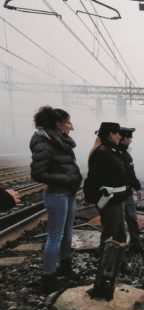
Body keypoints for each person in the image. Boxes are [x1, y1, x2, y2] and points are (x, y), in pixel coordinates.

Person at [29, 106, 82, 293]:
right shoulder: (44, 143)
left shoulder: (60, 140)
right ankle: (48, 277)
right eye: (68, 122)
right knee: (55, 237)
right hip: (57, 194)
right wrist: (67, 180)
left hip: (68, 194)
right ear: (58, 124)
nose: (70, 126)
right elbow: (38, 173)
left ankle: (65, 267)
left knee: (67, 235)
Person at [84, 122, 129, 256]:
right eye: (118, 134)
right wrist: (93, 198)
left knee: (120, 232)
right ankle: (105, 264)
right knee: (110, 233)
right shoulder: (102, 153)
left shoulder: (111, 151)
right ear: (111, 134)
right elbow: (94, 178)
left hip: (117, 200)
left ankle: (119, 262)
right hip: (110, 200)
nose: (120, 137)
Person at [119, 127, 144, 255]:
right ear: (124, 138)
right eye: (130, 138)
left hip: (127, 192)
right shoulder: (114, 153)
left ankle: (136, 245)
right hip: (117, 193)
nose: (131, 140)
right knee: (118, 224)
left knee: (132, 218)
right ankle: (119, 254)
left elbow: (131, 173)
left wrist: (137, 187)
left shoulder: (125, 153)